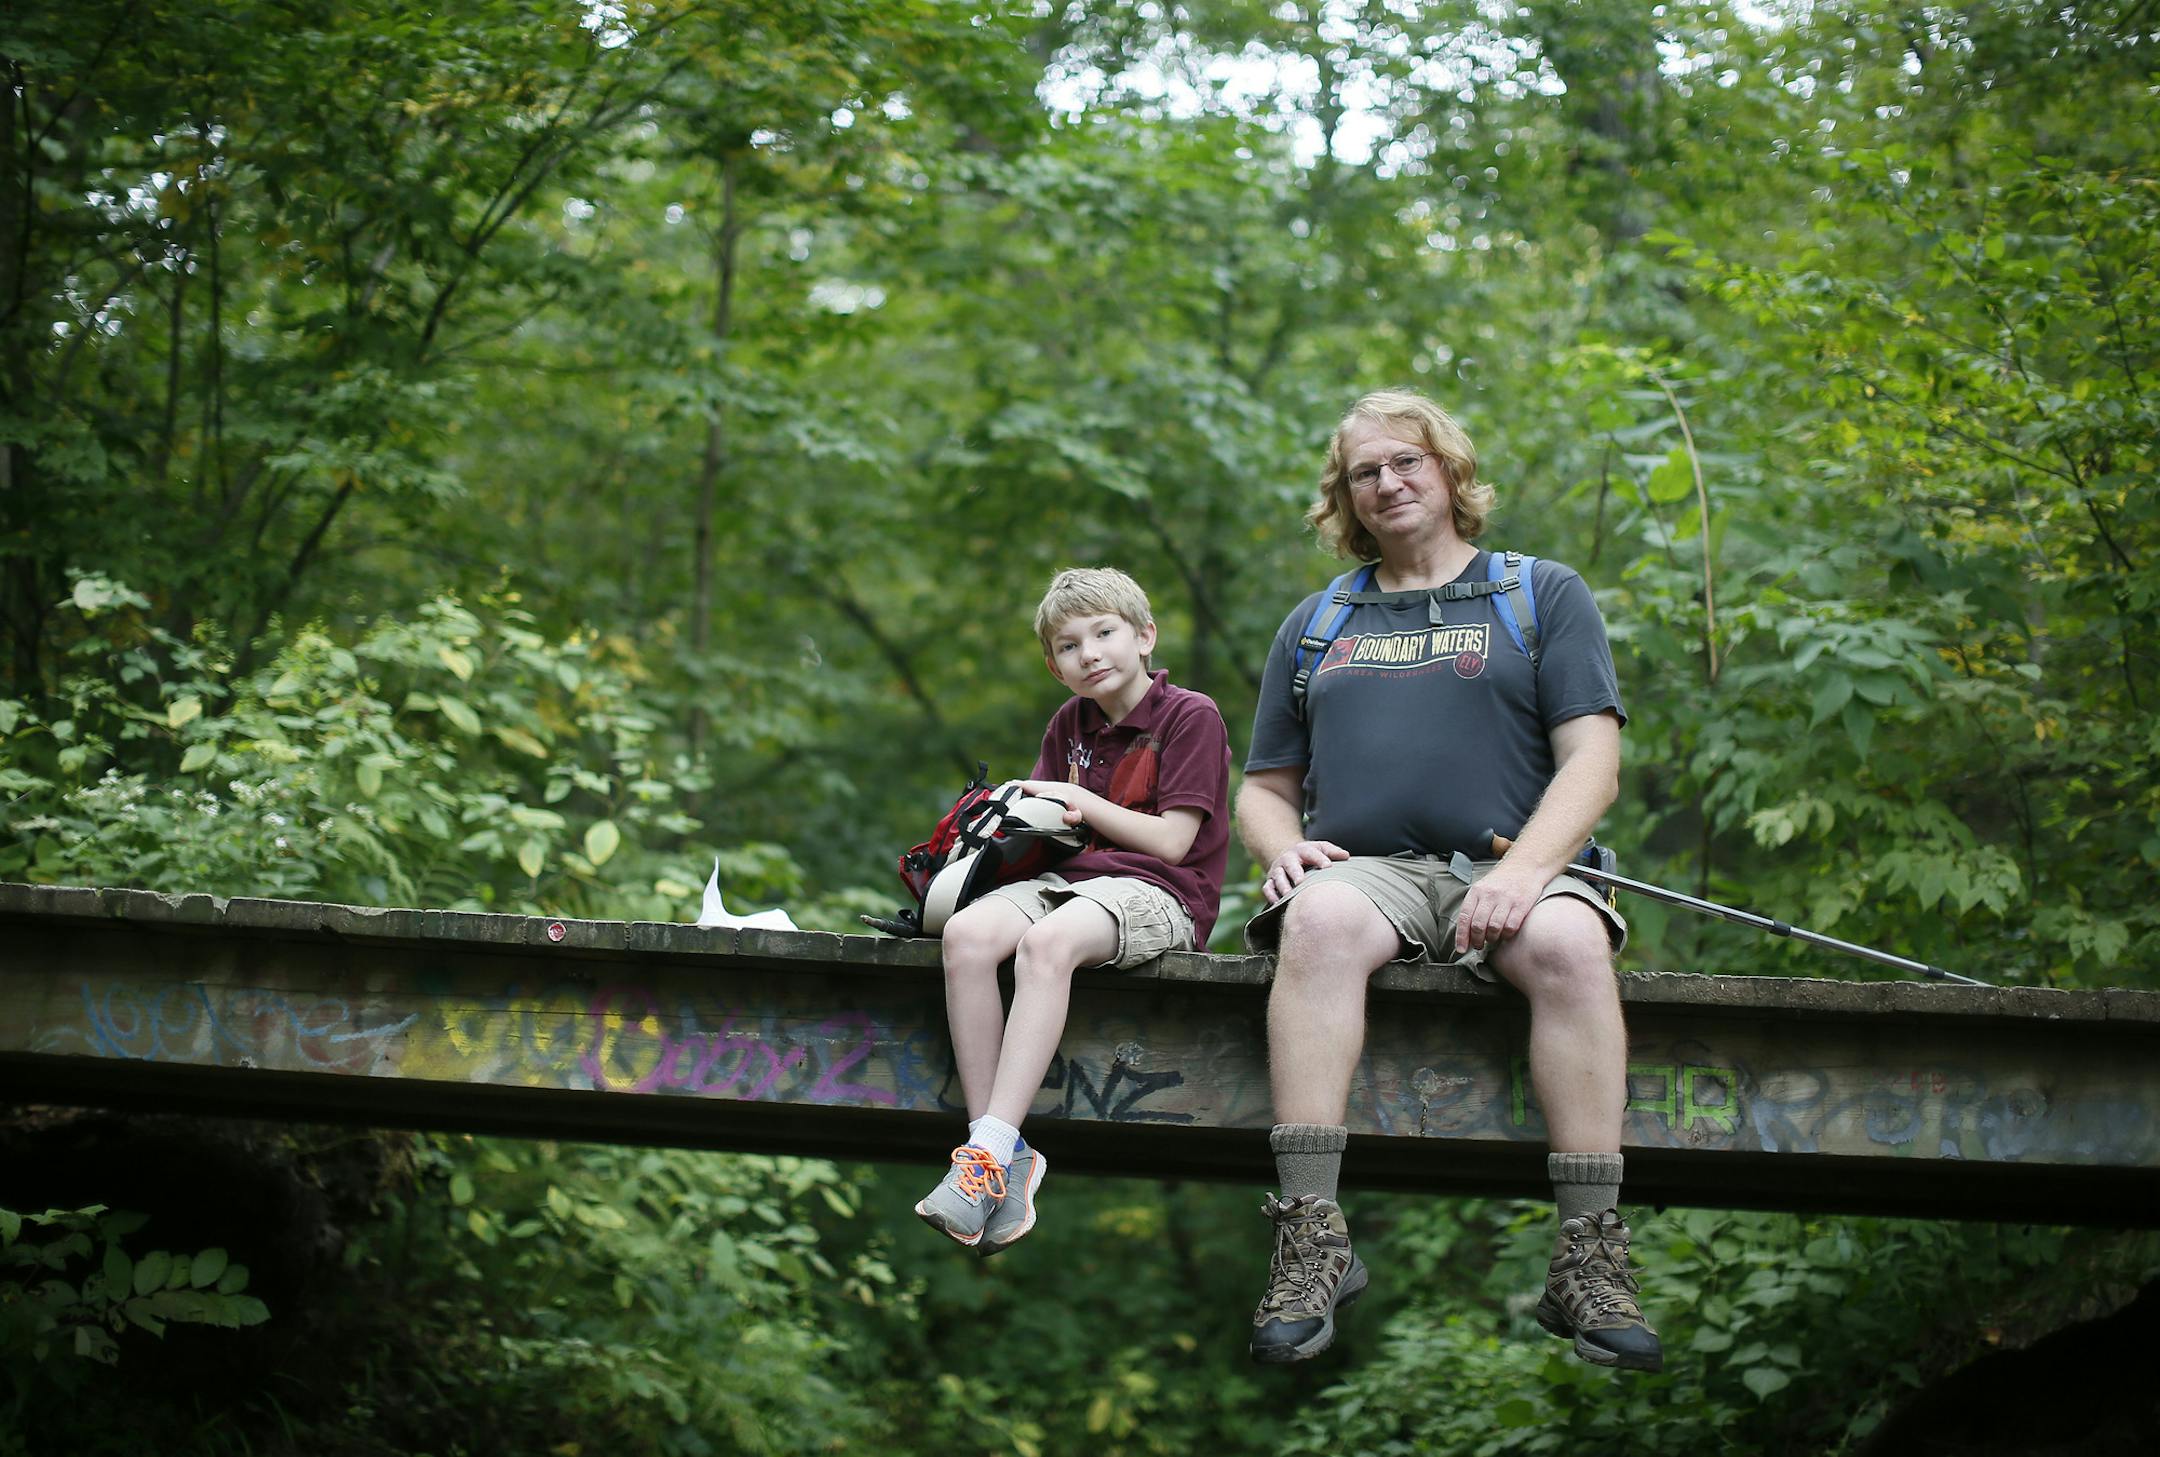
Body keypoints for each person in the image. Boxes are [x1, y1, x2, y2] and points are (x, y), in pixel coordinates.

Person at [1237, 390, 1661, 1370]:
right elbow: (1264, 788)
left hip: (1513, 868)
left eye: (1406, 461)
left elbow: (1592, 764)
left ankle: (1589, 1254)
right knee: (1318, 921)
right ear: (1343, 498)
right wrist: (1279, 848)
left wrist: (1528, 872)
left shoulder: (1539, 592)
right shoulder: (1318, 620)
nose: (1387, 483)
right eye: (1364, 472)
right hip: (1371, 871)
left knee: (1565, 938)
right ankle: (1310, 1238)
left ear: (1449, 470)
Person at [916, 566, 1231, 1255]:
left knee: (1046, 946)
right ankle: (993, 1154)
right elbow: (1051, 839)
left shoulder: (1190, 715)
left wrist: (1078, 799)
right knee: (966, 936)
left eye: (1104, 632)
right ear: (1055, 668)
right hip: (1067, 879)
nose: (1088, 652)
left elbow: (1176, 841)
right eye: (1067, 645)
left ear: (1144, 635)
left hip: (1159, 891)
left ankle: (988, 1149)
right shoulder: (1071, 723)